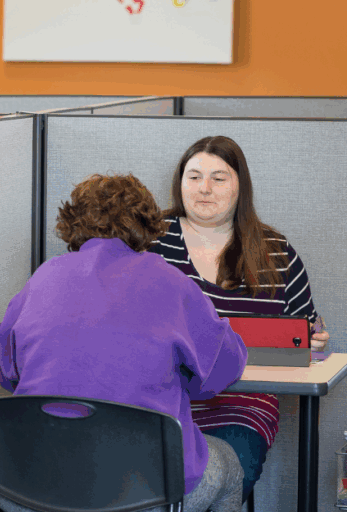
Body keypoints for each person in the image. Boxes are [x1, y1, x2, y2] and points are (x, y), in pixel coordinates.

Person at [0, 174, 247, 512]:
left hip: (32, 483)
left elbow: (9, 374)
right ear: (147, 224)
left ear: (73, 221)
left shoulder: (44, 276)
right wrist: (175, 380)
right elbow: (223, 370)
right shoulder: (170, 282)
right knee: (229, 464)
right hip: (145, 490)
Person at [147, 135, 330, 501]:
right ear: (179, 183)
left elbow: (310, 337)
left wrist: (317, 343)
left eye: (219, 177)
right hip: (159, 397)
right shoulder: (151, 242)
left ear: (240, 187)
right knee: (139, 488)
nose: (204, 188)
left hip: (241, 403)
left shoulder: (275, 252)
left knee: (215, 487)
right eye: (194, 176)